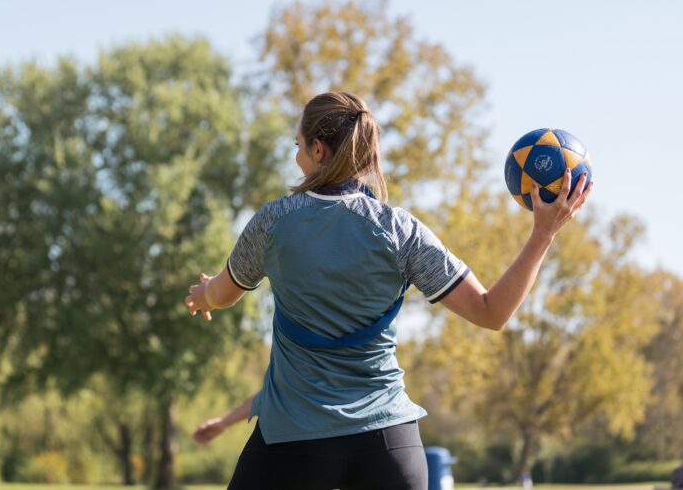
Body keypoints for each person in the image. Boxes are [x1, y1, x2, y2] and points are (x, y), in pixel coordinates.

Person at [184, 92, 592, 490]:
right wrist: (543, 233)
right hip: (388, 445)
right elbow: (491, 312)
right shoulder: (400, 230)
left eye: (298, 146)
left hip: (293, 441)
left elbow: (222, 294)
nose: (297, 156)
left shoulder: (272, 222)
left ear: (319, 150)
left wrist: (202, 296)